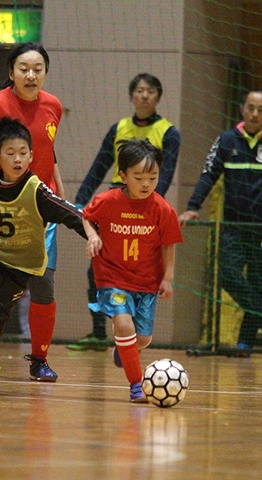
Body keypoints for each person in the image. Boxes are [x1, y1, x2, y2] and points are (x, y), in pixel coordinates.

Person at [179, 89, 262, 356]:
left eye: (260, 109)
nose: (254, 113)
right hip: (234, 226)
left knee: (259, 284)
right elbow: (208, 174)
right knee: (228, 275)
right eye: (250, 107)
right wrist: (193, 206)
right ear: (242, 109)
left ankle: (244, 345)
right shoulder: (227, 140)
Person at [0, 43, 65, 381]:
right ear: (11, 72)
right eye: (23, 68)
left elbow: (48, 153)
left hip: (40, 214)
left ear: (46, 73)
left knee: (44, 287)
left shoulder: (53, 107)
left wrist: (58, 190)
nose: (31, 74)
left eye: (38, 68)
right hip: (0, 216)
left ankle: (39, 359)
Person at [0, 117, 86, 390]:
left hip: (22, 263)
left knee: (1, 310)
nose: (17, 159)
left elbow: (68, 213)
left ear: (31, 157)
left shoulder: (36, 190)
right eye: (10, 153)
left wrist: (94, 234)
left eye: (22, 153)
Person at [68, 73, 181, 352]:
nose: (144, 95)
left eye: (150, 91)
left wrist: (153, 204)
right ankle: (98, 333)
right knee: (97, 267)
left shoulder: (168, 132)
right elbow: (99, 164)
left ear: (158, 97)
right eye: (139, 90)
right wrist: (81, 198)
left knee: (143, 272)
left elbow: (164, 176)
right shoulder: (118, 128)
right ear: (131, 96)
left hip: (147, 209)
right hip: (118, 205)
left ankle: (130, 340)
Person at [82, 138, 183, 403]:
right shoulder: (107, 201)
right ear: (123, 176)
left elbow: (168, 245)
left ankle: (123, 349)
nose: (146, 183)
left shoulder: (163, 209)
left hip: (146, 281)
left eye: (153, 177)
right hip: (111, 277)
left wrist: (168, 278)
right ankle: (136, 385)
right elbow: (86, 216)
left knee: (143, 338)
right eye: (139, 177)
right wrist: (93, 237)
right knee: (124, 324)